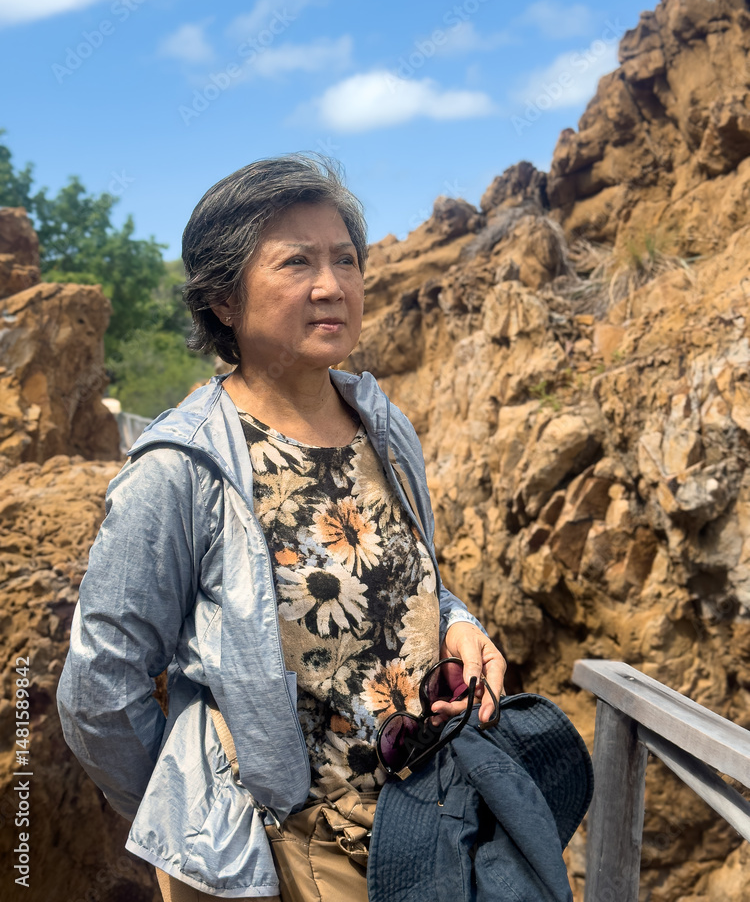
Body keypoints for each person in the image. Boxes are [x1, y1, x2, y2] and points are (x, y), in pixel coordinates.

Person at [57, 155, 507, 901]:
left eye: (346, 259)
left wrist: (458, 621)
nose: (332, 286)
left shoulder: (385, 428)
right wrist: (195, 817)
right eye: (297, 262)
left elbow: (402, 578)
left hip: (426, 829)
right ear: (223, 299)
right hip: (283, 853)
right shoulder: (182, 467)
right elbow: (99, 687)